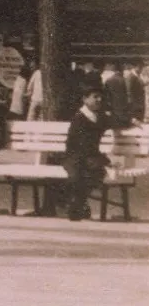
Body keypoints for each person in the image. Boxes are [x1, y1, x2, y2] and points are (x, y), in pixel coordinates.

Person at [63, 86, 108, 221]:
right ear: (85, 99)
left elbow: (116, 121)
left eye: (100, 97)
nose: (99, 99)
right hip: (74, 156)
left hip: (89, 157)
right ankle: (77, 205)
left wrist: (132, 120)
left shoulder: (100, 117)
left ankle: (79, 204)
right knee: (79, 172)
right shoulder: (79, 118)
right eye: (95, 96)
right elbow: (77, 143)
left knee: (93, 169)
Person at [101, 60, 130, 129]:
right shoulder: (124, 80)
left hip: (113, 105)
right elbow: (127, 94)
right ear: (121, 70)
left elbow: (105, 94)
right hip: (123, 106)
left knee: (114, 125)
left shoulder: (109, 80)